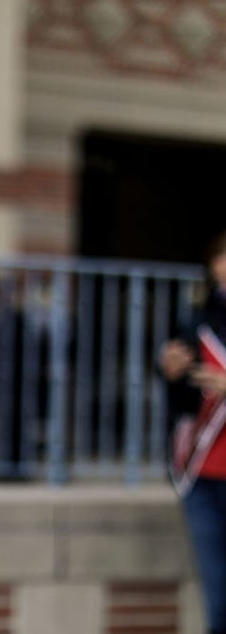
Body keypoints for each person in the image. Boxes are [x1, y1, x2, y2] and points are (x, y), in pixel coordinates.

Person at [158, 230, 226, 634]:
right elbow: (184, 403)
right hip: (202, 473)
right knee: (217, 600)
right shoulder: (198, 321)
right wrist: (171, 373)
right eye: (220, 257)